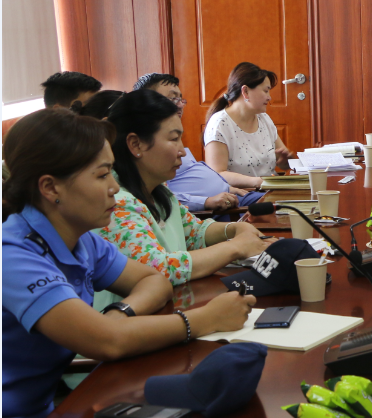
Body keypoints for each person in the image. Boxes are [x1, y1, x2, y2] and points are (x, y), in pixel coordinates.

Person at [2, 109, 254, 418]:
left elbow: (154, 280)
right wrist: (205, 319)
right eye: (101, 175)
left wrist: (119, 313)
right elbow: (106, 341)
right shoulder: (13, 256)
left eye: (111, 172)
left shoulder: (81, 240)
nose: (113, 187)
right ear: (51, 188)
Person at [101, 90, 272, 287]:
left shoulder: (160, 190)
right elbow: (158, 270)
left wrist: (235, 229)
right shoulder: (115, 202)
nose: (182, 151)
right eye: (174, 139)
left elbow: (193, 232)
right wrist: (236, 247)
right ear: (136, 144)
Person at [137, 73, 263, 215]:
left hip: (231, 197)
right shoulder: (148, 147)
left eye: (180, 99)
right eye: (173, 98)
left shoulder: (172, 135)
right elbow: (158, 195)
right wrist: (206, 201)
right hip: (215, 212)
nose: (180, 105)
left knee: (280, 202)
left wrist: (226, 187)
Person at [204, 62, 293, 189]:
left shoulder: (264, 119)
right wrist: (258, 182)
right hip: (242, 195)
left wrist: (285, 161)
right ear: (245, 91)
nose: (269, 97)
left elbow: (284, 164)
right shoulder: (220, 124)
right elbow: (217, 174)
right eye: (266, 91)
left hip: (268, 190)